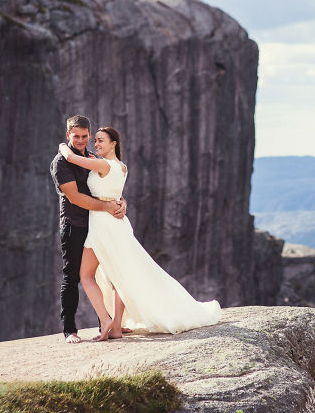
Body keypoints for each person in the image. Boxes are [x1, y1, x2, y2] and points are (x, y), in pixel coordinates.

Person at [57, 126, 222, 339]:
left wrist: (63, 144)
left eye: (100, 141)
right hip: (116, 223)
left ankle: (108, 322)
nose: (95, 144)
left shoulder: (101, 164)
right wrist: (120, 202)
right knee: (118, 275)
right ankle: (115, 326)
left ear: (113, 144)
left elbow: (70, 156)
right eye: (95, 140)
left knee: (86, 275)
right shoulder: (122, 167)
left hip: (103, 224)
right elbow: (113, 191)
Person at [50, 115, 127, 344]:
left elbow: (108, 187)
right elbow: (74, 198)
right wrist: (108, 207)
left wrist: (122, 202)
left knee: (108, 275)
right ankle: (70, 330)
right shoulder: (61, 162)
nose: (82, 140)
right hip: (74, 224)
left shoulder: (93, 158)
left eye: (85, 136)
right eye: (76, 136)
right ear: (68, 135)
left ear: (89, 135)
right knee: (72, 276)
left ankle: (108, 322)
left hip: (98, 225)